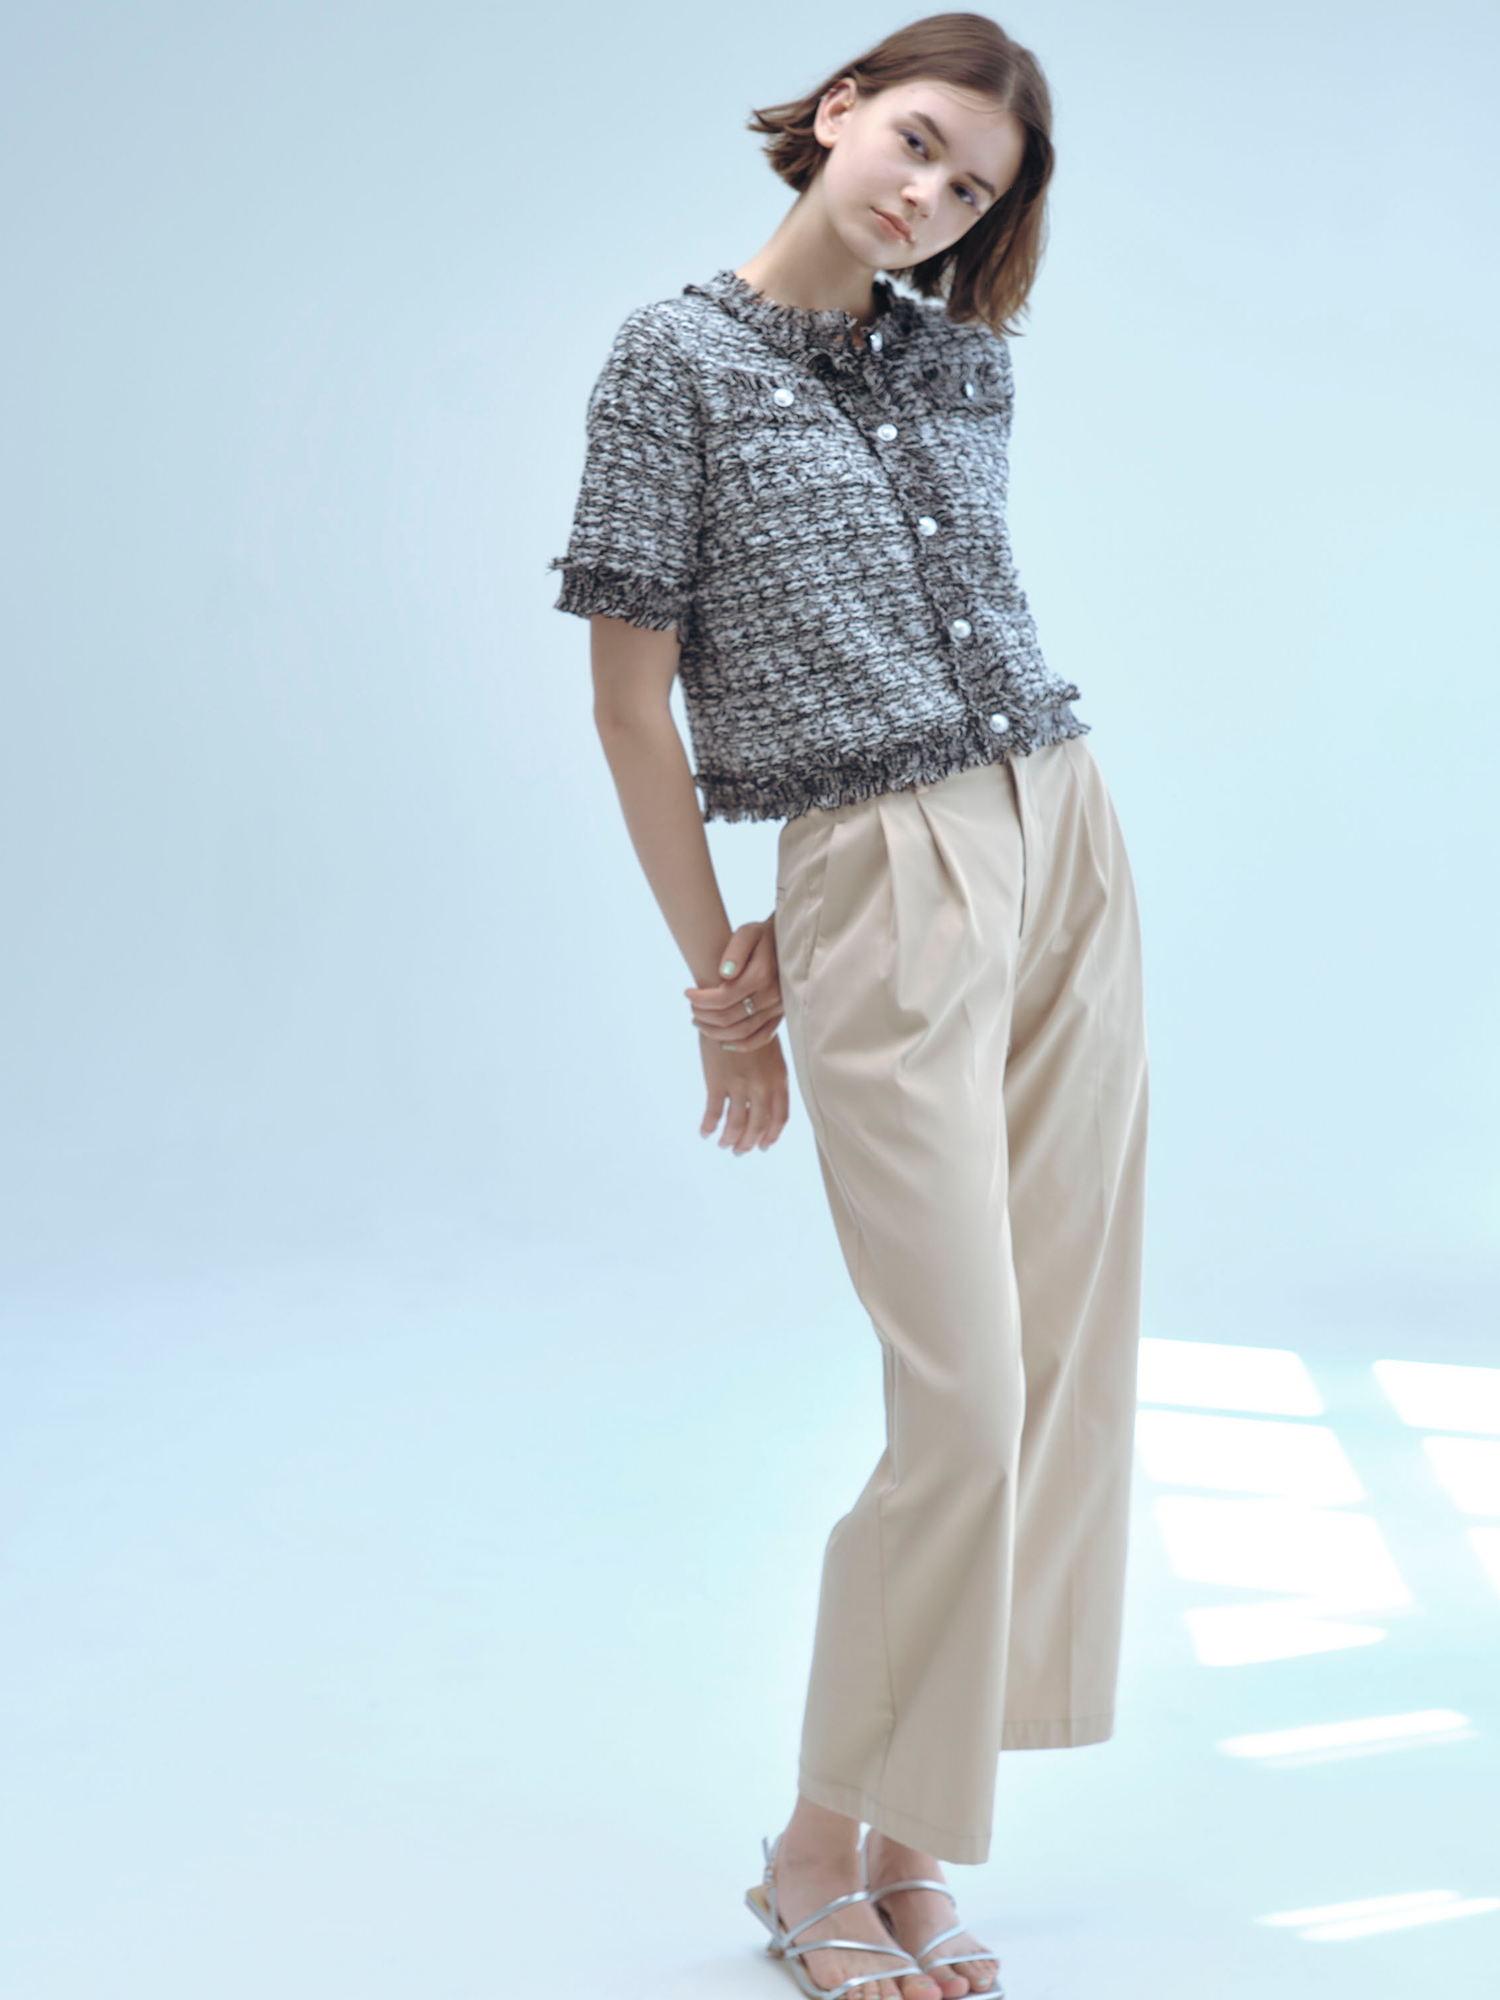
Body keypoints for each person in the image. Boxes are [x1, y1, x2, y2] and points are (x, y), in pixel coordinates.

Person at [546, 14, 1149, 1998]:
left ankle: (911, 1837)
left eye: (971, 188)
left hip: (1063, 829)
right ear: (835, 114)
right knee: (960, 1392)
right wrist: (726, 984)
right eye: (916, 144)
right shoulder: (673, 359)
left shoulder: (963, 360)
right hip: (878, 866)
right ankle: (813, 1849)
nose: (929, 198)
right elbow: (632, 707)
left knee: (1058, 1366)